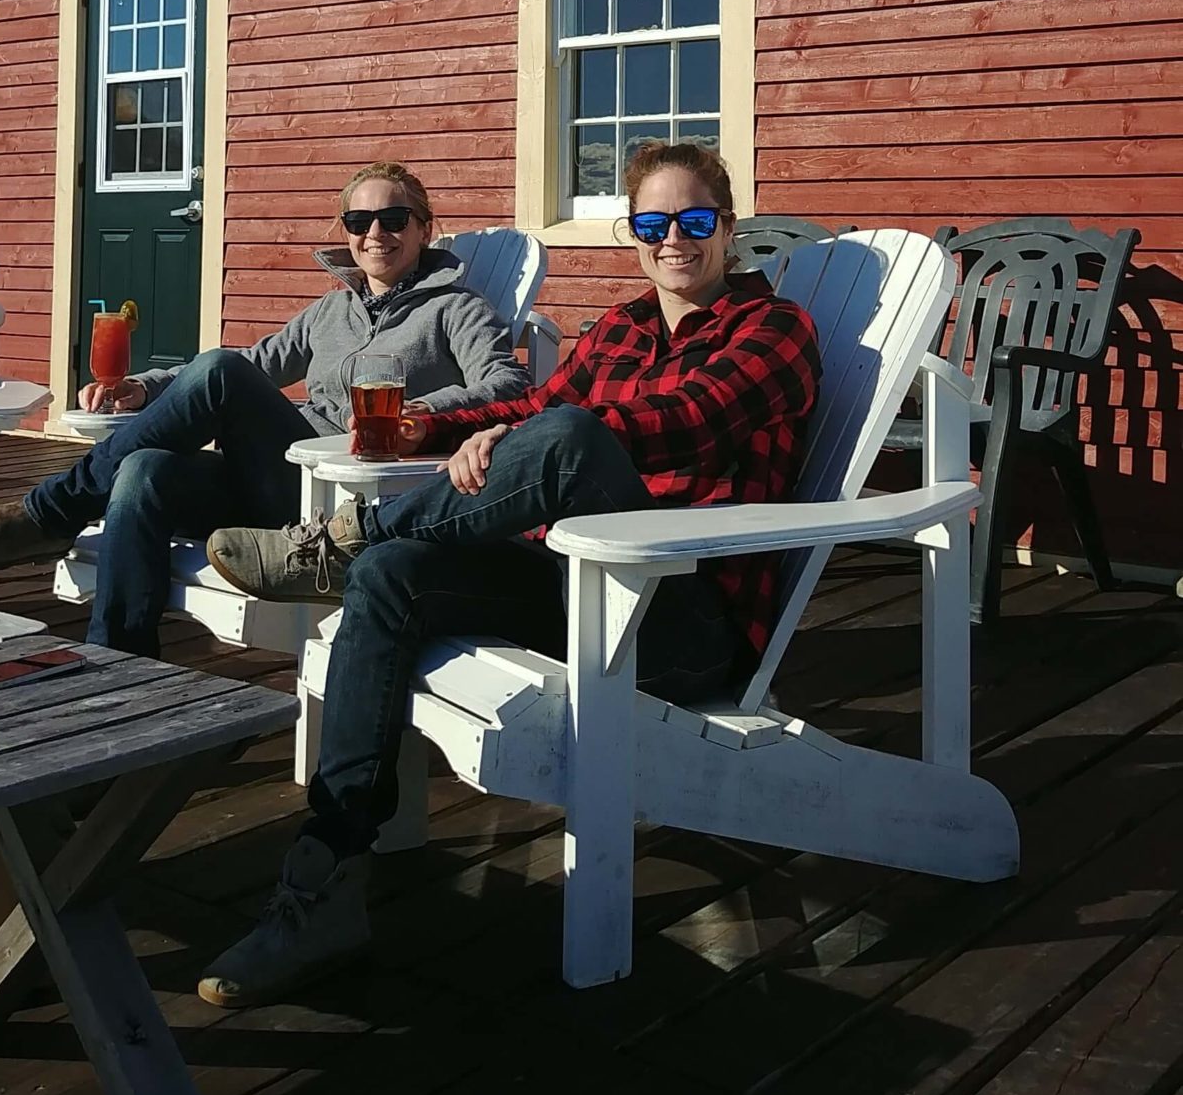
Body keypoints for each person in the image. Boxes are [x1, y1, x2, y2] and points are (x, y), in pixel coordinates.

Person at [198, 140, 821, 1007]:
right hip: (578, 591)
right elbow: (532, 403)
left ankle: (337, 540)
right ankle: (326, 881)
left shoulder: (775, 328)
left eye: (695, 220)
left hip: (684, 623)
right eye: (652, 222)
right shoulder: (623, 327)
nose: (673, 239)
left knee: (570, 437)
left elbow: (686, 420)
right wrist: (428, 428)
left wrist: (545, 435)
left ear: (729, 227)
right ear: (632, 233)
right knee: (394, 575)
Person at [0, 162, 528, 657]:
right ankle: (118, 667)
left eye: (394, 219)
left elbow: (507, 385)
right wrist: (143, 387)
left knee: (219, 370)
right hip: (272, 481)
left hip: (348, 503)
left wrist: (421, 409)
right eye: (358, 220)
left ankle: (51, 514)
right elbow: (255, 362)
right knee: (144, 473)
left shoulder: (457, 308)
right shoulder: (331, 311)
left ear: (425, 229)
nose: (376, 232)